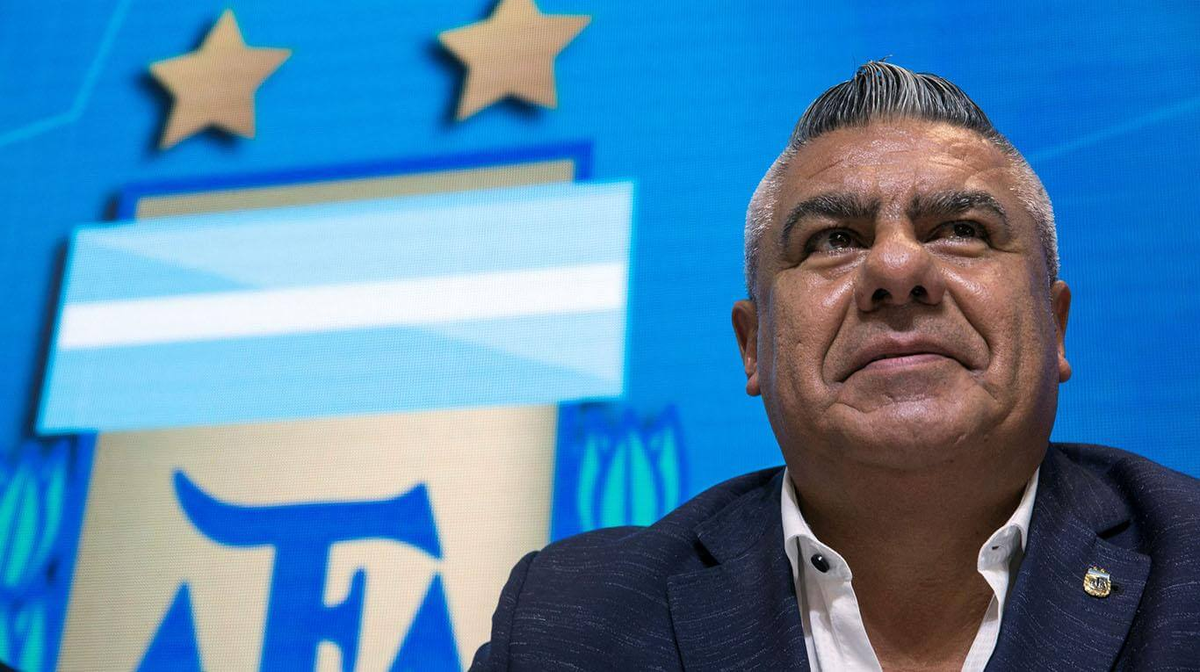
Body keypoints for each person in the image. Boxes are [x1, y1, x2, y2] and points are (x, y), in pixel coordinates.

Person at [468, 61, 1200, 671]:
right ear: (753, 343)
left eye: (961, 229)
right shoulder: (574, 625)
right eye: (833, 240)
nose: (897, 268)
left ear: (1056, 325)